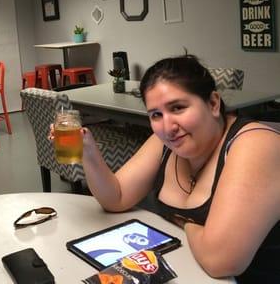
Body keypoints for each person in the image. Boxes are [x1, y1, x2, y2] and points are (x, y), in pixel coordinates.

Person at [53, 55, 280, 283]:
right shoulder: (165, 142)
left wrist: (184, 222)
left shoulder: (255, 144)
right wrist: (89, 154)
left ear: (213, 103)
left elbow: (221, 260)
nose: (168, 127)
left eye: (178, 107)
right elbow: (117, 198)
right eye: (156, 115)